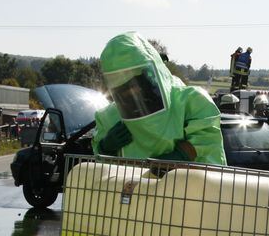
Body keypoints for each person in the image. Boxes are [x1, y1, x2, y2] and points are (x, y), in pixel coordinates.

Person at [94, 32, 225, 164]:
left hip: (191, 183)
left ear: (151, 71)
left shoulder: (191, 100)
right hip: (131, 185)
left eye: (134, 80)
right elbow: (98, 166)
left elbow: (208, 137)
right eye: (122, 85)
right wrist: (105, 148)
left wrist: (182, 154)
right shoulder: (109, 116)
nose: (131, 91)